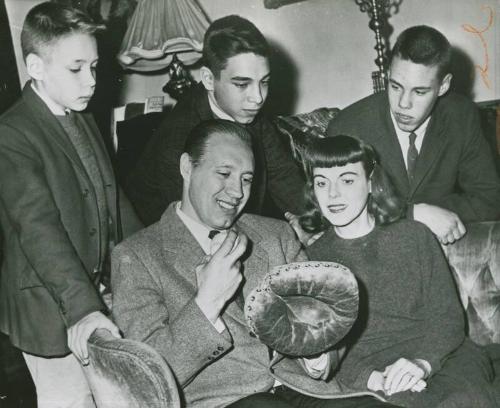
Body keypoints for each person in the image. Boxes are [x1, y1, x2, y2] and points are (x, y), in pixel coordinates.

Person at [112, 120, 400, 407]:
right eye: (224, 173)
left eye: (246, 179)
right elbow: (148, 381)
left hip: (308, 392)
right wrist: (206, 303)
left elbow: (327, 323)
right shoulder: (136, 257)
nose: (237, 191)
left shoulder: (276, 235)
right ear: (187, 167)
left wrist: (316, 353)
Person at [0, 3, 142, 407]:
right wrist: (84, 310)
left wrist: (155, 256)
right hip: (47, 306)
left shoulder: (81, 116)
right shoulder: (11, 135)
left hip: (93, 293)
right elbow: (39, 230)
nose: (92, 80)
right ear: (36, 67)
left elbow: (113, 199)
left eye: (95, 67)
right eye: (77, 68)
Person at [298, 135, 496, 407]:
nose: (332, 194)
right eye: (322, 182)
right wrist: (371, 378)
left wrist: (422, 363)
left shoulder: (413, 236)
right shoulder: (312, 261)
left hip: (441, 356)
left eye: (347, 180)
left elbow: (448, 318)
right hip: (372, 376)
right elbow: (323, 348)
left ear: (370, 182)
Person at [124, 14, 305, 226]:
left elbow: (283, 176)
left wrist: (316, 224)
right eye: (241, 84)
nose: (257, 98)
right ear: (209, 79)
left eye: (264, 82)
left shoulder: (246, 110)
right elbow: (199, 228)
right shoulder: (179, 138)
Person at [327, 25, 500, 245]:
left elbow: (489, 198)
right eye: (396, 86)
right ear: (388, 75)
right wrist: (413, 214)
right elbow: (336, 208)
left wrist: (432, 212)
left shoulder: (461, 116)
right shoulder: (348, 127)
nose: (403, 104)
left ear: (443, 85)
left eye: (419, 92)